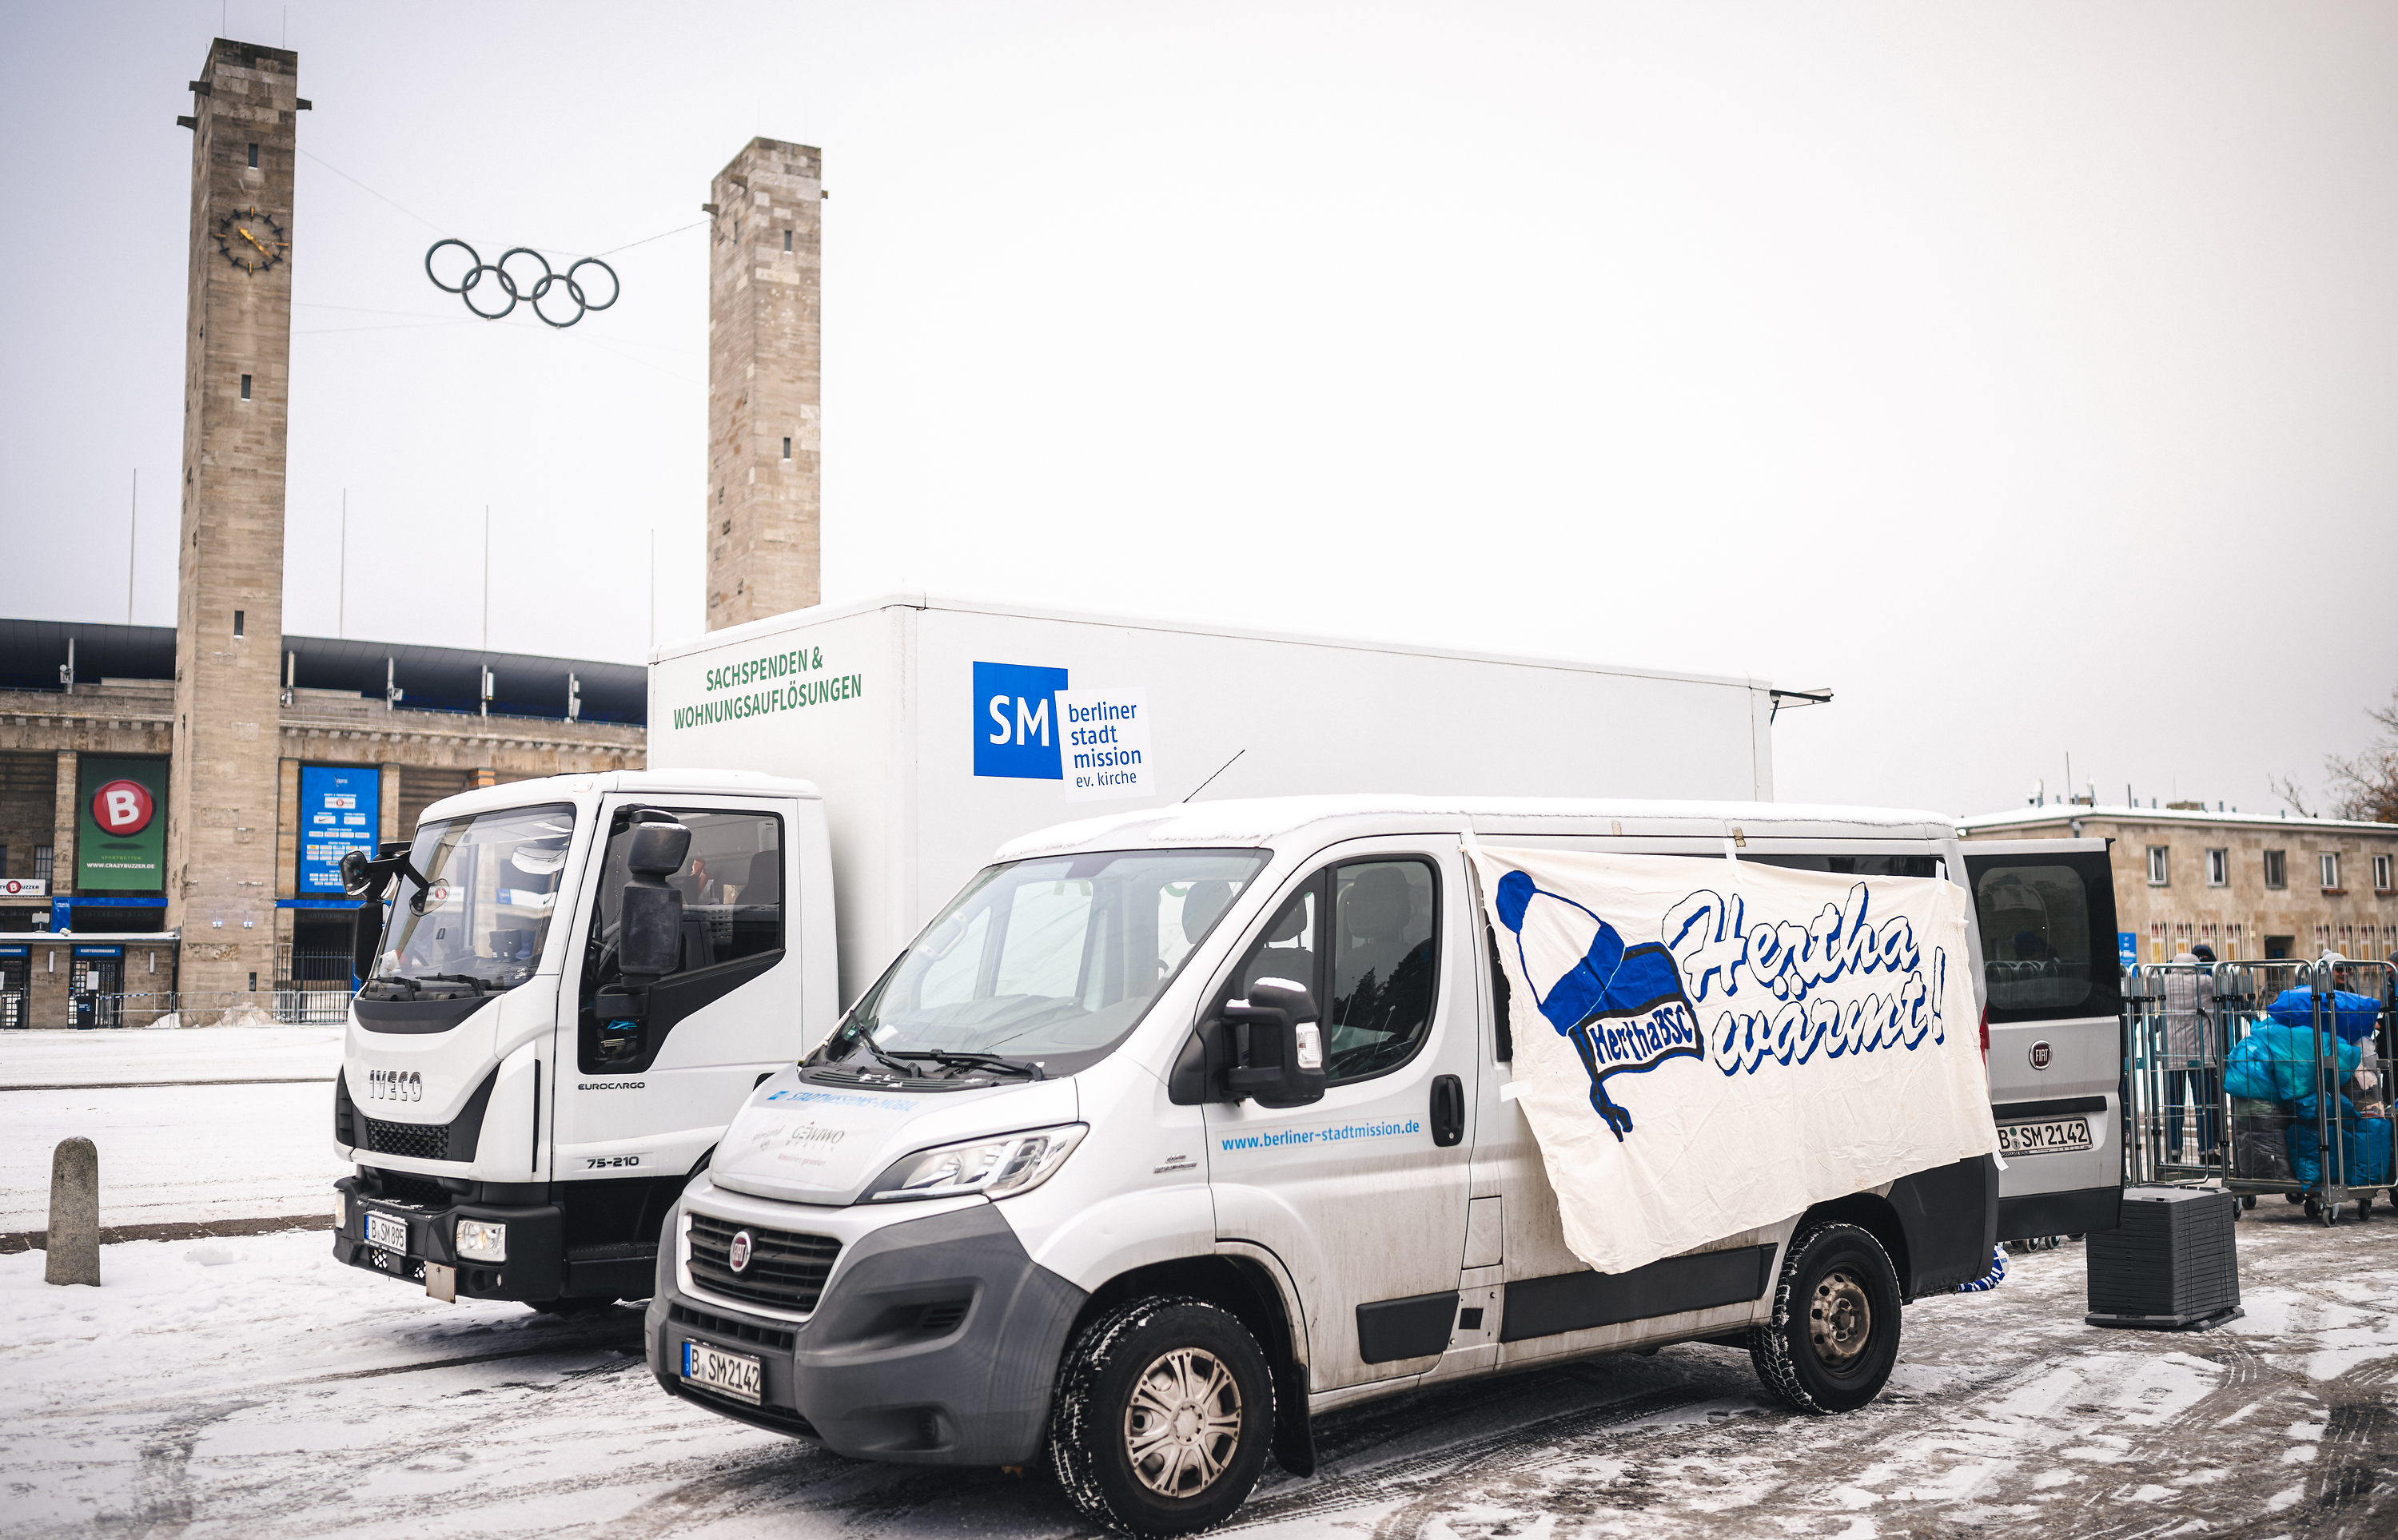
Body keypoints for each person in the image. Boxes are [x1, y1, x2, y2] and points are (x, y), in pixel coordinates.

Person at [2160, 945, 2219, 1164]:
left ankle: (2174, 1152)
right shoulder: (2205, 983)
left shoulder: (2163, 983)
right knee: (2203, 1105)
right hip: (2201, 1055)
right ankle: (2207, 1152)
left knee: (2174, 1105)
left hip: (2172, 1055)